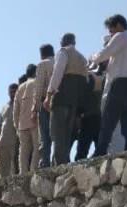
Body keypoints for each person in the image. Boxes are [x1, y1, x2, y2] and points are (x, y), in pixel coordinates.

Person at [89, 14, 127, 156]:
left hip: (120, 82)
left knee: (108, 118)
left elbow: (103, 55)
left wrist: (92, 57)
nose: (110, 34)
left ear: (118, 25)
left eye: (111, 30)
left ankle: (100, 151)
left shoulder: (121, 36)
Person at [44, 33, 89, 166]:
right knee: (66, 135)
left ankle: (58, 165)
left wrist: (48, 95)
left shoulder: (63, 52)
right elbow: (86, 82)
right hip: (74, 102)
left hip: (60, 99)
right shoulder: (82, 58)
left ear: (63, 42)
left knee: (57, 135)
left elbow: (57, 74)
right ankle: (64, 163)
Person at [14, 64, 40, 174]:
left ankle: (22, 173)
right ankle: (33, 170)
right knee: (37, 147)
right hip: (35, 122)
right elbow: (38, 100)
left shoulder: (20, 87)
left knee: (23, 150)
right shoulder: (36, 84)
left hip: (22, 124)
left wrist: (16, 125)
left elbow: (16, 109)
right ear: (35, 72)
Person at [32, 44, 55, 168]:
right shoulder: (60, 62)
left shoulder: (42, 64)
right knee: (58, 134)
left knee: (45, 136)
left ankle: (45, 163)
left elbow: (39, 86)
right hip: (60, 102)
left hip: (45, 101)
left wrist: (35, 107)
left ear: (42, 54)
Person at [73, 72, 103, 160]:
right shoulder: (101, 79)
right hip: (98, 116)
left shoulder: (87, 79)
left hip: (87, 117)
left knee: (82, 151)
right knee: (100, 147)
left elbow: (82, 99)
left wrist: (77, 115)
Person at [0, 83, 19, 180]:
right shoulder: (4, 107)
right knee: (3, 166)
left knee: (14, 166)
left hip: (15, 141)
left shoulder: (20, 105)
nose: (13, 94)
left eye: (15, 92)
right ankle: (2, 186)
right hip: (3, 141)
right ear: (8, 93)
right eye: (11, 92)